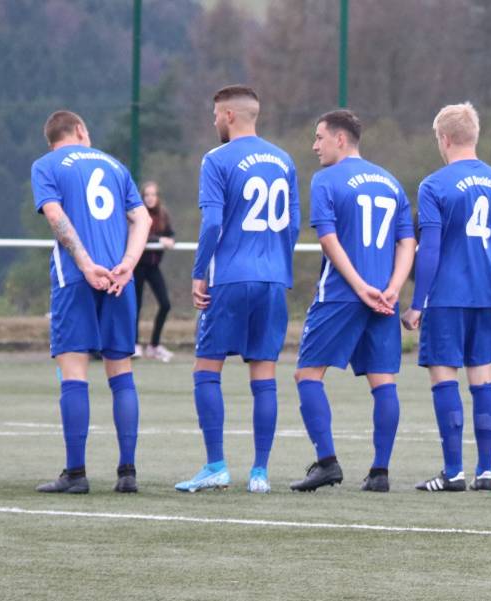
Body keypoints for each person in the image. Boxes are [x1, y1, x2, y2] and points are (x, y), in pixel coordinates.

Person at [175, 85, 300, 494]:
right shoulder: (283, 160)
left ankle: (216, 465)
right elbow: (294, 225)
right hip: (272, 278)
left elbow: (212, 224)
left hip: (229, 277)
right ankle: (260, 474)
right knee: (263, 371)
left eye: (215, 115)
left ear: (229, 115)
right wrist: (278, 265)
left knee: (206, 369)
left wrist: (199, 273)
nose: (213, 122)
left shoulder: (216, 159)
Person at [289, 110, 416, 493]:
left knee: (307, 375)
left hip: (343, 294)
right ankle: (380, 473)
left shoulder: (326, 179)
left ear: (340, 140)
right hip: (384, 297)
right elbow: (407, 242)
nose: (314, 146)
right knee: (383, 382)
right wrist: (393, 288)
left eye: (319, 138)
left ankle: (327, 463)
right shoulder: (390, 181)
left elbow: (329, 240)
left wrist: (360, 286)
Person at [402, 102, 491, 493]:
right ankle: (485, 471)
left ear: (445, 138)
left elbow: (430, 249)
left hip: (449, 298)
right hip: (489, 296)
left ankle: (453, 471)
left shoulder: (435, 185)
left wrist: (418, 302)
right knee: (483, 380)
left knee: (444, 376)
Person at [31, 110, 151, 494]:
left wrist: (84, 263)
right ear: (81, 130)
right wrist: (128, 266)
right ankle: (127, 472)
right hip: (119, 278)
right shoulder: (114, 165)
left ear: (52, 138)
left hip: (77, 278)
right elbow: (142, 219)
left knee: (75, 373)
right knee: (121, 373)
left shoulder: (45, 165)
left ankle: (76, 474)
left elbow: (55, 214)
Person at [133, 181, 176, 362]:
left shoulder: (163, 214)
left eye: (153, 194)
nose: (150, 198)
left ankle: (154, 345)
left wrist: (170, 240)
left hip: (153, 266)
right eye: (147, 195)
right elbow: (139, 234)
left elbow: (171, 234)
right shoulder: (137, 213)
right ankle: (133, 344)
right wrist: (160, 239)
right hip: (137, 266)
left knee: (165, 304)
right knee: (135, 305)